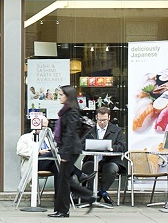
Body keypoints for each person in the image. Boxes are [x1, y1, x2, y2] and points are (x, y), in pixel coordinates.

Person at [48, 85, 95, 218]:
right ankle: (84, 198)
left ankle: (64, 210)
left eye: (62, 94)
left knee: (63, 180)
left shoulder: (72, 112)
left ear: (68, 96)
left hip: (70, 150)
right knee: (64, 179)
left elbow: (70, 133)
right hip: (67, 148)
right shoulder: (65, 111)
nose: (60, 97)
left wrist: (65, 153)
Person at [81, 106, 127, 205]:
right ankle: (101, 192)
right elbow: (81, 144)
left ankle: (100, 192)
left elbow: (122, 147)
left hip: (111, 160)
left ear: (109, 118)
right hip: (93, 159)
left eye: (104, 120)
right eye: (100, 120)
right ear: (96, 118)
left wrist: (111, 148)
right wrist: (89, 146)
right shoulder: (90, 130)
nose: (102, 123)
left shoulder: (116, 130)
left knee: (111, 169)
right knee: (87, 167)